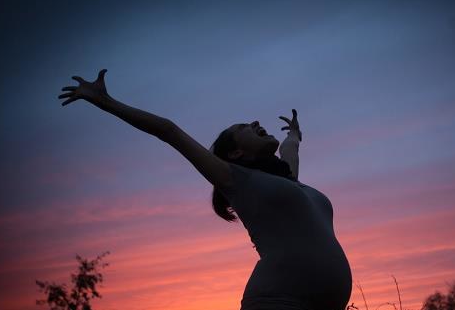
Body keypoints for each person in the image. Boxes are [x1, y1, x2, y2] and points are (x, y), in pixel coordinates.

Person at [59, 69, 353, 310]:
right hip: (278, 301)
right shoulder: (237, 180)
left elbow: (291, 151)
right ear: (236, 154)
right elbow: (168, 131)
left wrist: (295, 133)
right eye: (244, 127)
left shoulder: (289, 182)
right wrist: (105, 101)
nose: (255, 122)